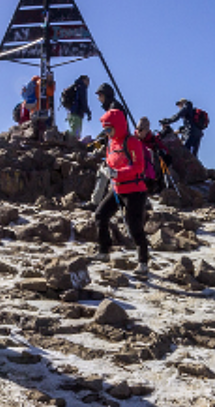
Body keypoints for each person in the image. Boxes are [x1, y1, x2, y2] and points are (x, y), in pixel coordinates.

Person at [94, 107, 152, 276]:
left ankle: (143, 263)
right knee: (100, 215)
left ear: (118, 126)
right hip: (118, 189)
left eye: (109, 128)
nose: (106, 132)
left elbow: (139, 166)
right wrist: (107, 169)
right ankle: (104, 251)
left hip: (135, 190)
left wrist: (118, 173)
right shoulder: (111, 143)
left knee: (134, 226)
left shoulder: (132, 141)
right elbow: (111, 162)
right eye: (104, 129)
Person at [61, 75, 92, 141]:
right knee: (76, 131)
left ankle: (68, 141)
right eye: (88, 81)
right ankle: (69, 142)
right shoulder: (82, 87)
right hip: (77, 113)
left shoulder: (76, 86)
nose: (88, 83)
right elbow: (83, 100)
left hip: (71, 112)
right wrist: (88, 112)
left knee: (73, 129)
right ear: (84, 80)